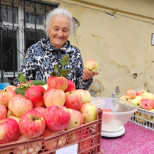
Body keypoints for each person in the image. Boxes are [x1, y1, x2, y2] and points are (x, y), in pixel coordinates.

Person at [13, 7, 98, 90]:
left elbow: (79, 89)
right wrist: (36, 90)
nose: (60, 34)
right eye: (56, 29)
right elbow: (20, 82)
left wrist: (85, 79)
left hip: (68, 103)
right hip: (42, 103)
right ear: (48, 29)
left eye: (65, 30)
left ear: (69, 32)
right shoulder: (35, 50)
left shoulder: (75, 53)